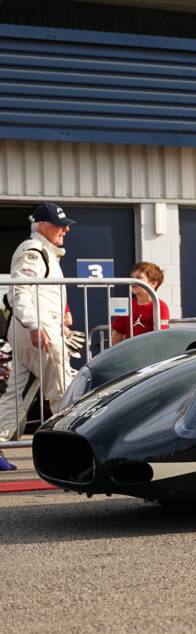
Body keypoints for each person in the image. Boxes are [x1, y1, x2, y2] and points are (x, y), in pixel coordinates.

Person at [0, 202, 78, 471]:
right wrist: (35, 326)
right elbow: (20, 292)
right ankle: (69, 456)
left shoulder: (43, 252)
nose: (65, 229)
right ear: (42, 225)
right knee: (65, 392)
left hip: (37, 331)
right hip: (38, 333)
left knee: (16, 396)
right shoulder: (33, 251)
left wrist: (60, 327)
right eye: (60, 224)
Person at [110, 262, 171, 344]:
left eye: (139, 278)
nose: (133, 281)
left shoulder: (160, 306)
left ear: (153, 283)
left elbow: (161, 336)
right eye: (132, 277)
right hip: (130, 353)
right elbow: (117, 334)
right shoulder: (128, 305)